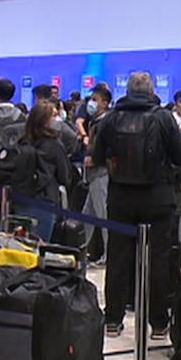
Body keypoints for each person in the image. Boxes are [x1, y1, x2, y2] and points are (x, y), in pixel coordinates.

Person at [92, 71, 181, 339]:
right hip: (158, 198)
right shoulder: (163, 117)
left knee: (118, 257)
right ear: (151, 91)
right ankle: (158, 322)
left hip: (121, 198)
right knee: (159, 260)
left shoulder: (111, 117)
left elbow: (98, 156)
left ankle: (113, 319)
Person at [11, 101, 73, 242]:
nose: (58, 119)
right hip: (44, 202)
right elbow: (64, 176)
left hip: (20, 200)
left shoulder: (23, 142)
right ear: (44, 121)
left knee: (19, 247)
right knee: (39, 247)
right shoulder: (54, 144)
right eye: (54, 115)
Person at [80, 84, 113, 263]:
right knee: (88, 215)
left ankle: (110, 254)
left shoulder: (107, 122)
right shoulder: (95, 121)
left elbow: (110, 147)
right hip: (93, 175)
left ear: (105, 103)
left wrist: (96, 158)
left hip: (101, 174)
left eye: (95, 100)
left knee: (103, 216)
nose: (91, 103)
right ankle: (81, 249)